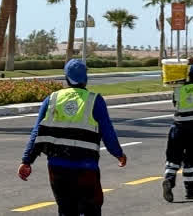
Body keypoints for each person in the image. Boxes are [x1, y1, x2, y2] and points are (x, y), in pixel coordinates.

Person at [18, 59, 127, 216]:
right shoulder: (94, 100)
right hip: (86, 167)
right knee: (91, 209)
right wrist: (118, 154)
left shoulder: (52, 99)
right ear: (85, 78)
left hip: (57, 167)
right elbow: (107, 132)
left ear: (66, 78)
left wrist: (27, 161)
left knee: (66, 210)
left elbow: (37, 132)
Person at [162, 62, 193, 202]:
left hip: (177, 128)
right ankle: (190, 191)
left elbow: (174, 103)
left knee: (173, 158)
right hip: (192, 130)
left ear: (188, 73)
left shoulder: (178, 89)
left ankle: (169, 180)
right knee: (191, 161)